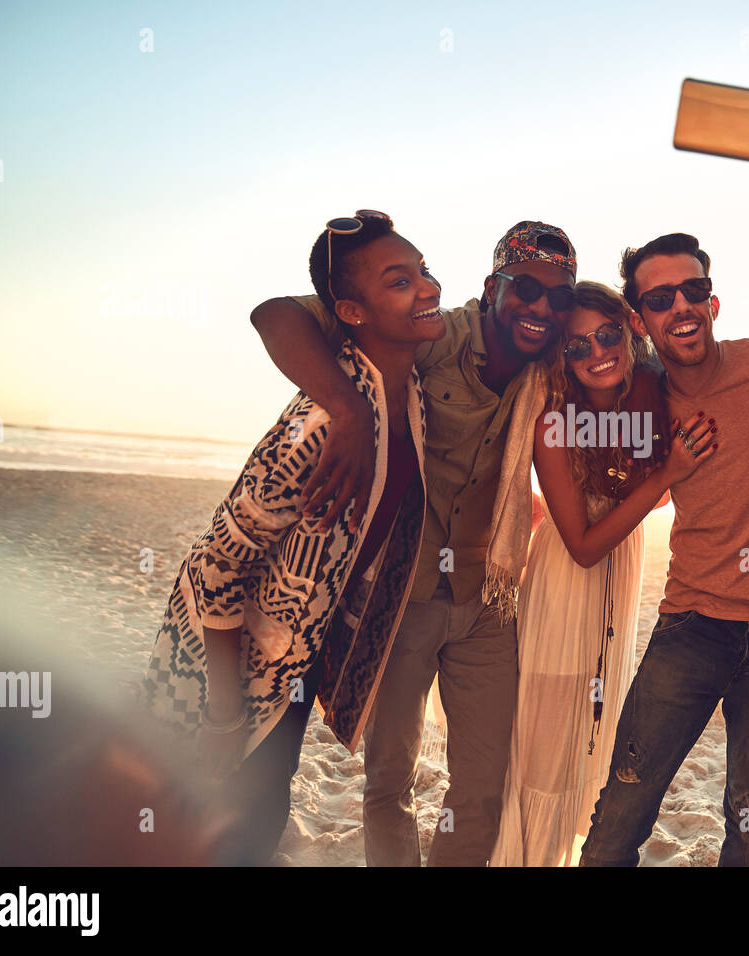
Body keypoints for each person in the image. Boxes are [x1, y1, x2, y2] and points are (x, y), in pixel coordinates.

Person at [248, 220, 578, 866]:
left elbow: (630, 364)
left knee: (483, 785)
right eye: (526, 289)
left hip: (487, 600)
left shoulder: (551, 367)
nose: (541, 308)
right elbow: (276, 315)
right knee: (389, 780)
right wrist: (345, 409)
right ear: (492, 287)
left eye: (557, 297)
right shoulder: (431, 337)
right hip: (401, 598)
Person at [141, 211, 438, 864]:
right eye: (400, 280)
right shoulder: (317, 431)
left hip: (292, 659)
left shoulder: (409, 391)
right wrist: (222, 712)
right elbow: (219, 565)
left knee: (261, 804)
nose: (427, 287)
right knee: (204, 819)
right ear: (352, 312)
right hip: (221, 667)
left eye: (424, 270)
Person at [579, 234, 749, 867]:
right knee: (624, 808)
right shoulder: (642, 397)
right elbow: (575, 416)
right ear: (640, 319)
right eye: (661, 298)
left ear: (713, 303)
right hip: (692, 627)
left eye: (693, 290)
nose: (681, 306)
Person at [491, 281, 717, 866]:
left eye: (608, 334)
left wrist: (661, 471)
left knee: (589, 742)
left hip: (616, 595)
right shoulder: (553, 423)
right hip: (564, 589)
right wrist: (667, 473)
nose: (597, 352)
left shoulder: (643, 399)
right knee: (544, 748)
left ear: (630, 332)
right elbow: (585, 545)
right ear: (559, 357)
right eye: (577, 345)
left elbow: (647, 499)